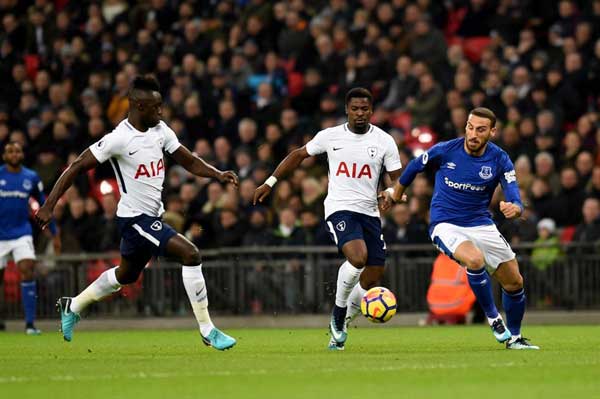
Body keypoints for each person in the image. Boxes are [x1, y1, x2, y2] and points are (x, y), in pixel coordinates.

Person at [35, 75, 238, 351]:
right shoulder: (119, 139)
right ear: (139, 107)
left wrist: (217, 174)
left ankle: (73, 305)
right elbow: (77, 166)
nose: (161, 112)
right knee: (190, 254)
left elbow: (187, 159)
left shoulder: (161, 130)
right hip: (134, 220)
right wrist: (49, 204)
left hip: (152, 218)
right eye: (156, 107)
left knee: (126, 275)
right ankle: (207, 329)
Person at [254, 88, 402, 350]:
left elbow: (397, 178)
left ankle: (341, 326)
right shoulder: (330, 136)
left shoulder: (384, 141)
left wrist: (391, 193)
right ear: (346, 109)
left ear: (371, 111)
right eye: (354, 108)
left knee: (372, 277)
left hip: (369, 212)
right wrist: (270, 182)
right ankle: (338, 311)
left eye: (364, 109)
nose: (359, 113)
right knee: (357, 258)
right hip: (339, 208)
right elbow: (298, 154)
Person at [383, 107, 539, 350]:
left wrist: (516, 208)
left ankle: (516, 339)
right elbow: (414, 166)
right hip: (445, 224)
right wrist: (397, 193)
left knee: (515, 282)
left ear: (492, 132)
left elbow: (514, 195)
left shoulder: (500, 159)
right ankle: (494, 319)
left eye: (480, 129)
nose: (473, 134)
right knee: (474, 260)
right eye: (470, 127)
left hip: (481, 224)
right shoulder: (446, 150)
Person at [0, 141, 61, 334]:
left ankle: (30, 324)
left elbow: (44, 204)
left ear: (22, 155)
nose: (14, 154)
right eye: (10, 151)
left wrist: (54, 232)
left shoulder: (31, 177)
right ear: (4, 156)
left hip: (21, 233)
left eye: (17, 150)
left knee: (27, 269)